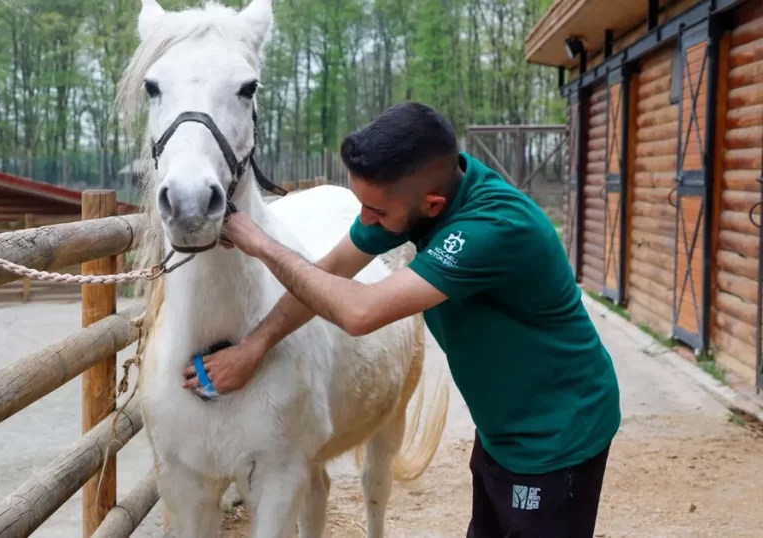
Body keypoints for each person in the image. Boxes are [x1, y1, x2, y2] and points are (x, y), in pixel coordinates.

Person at [181, 101, 621, 537]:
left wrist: (260, 244)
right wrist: (253, 346)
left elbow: (359, 312)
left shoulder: (494, 228)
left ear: (432, 205)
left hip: (557, 433)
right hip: (502, 429)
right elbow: (327, 273)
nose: (366, 221)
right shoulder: (405, 201)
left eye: (376, 212)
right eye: (362, 205)